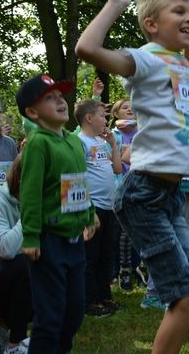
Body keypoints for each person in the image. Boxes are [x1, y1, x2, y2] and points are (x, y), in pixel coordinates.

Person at [75, 0, 189, 354]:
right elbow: (87, 48)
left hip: (169, 194)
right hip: (143, 194)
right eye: (178, 12)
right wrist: (115, 5)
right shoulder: (146, 58)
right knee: (183, 297)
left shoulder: (179, 63)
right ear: (151, 24)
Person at [15, 74, 97, 353]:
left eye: (60, 96)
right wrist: (31, 236)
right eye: (50, 98)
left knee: (73, 314)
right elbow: (30, 194)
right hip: (49, 242)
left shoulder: (74, 142)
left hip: (75, 242)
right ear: (32, 112)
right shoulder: (39, 143)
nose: (60, 101)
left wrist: (90, 214)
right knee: (50, 318)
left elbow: (80, 182)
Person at [74, 99, 122, 317]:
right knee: (90, 256)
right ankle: (87, 300)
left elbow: (118, 169)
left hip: (109, 207)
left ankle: (104, 295)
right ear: (89, 118)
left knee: (106, 253)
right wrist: (87, 209)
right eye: (103, 115)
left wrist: (112, 144)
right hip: (93, 208)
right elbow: (77, 178)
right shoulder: (79, 142)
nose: (106, 119)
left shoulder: (102, 143)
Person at [0, 155, 32, 354]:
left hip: (9, 281)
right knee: (22, 264)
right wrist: (30, 212)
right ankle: (15, 342)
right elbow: (5, 249)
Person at [108, 98, 140, 291]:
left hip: (143, 187)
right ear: (116, 114)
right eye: (124, 108)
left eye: (132, 107)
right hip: (121, 188)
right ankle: (124, 271)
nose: (130, 109)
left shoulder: (143, 133)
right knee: (125, 234)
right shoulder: (112, 136)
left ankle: (142, 269)